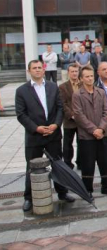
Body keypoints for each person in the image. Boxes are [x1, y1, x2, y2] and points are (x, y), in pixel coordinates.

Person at [15, 60, 75, 212]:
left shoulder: (53, 87)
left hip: (53, 134)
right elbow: (21, 114)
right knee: (31, 167)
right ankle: (28, 198)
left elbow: (60, 108)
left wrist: (55, 125)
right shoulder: (21, 90)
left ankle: (62, 192)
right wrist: (36, 128)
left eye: (39, 68)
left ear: (43, 70)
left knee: (57, 164)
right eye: (34, 68)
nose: (37, 70)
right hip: (34, 136)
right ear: (29, 71)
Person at [73, 66, 107, 198]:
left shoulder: (101, 92)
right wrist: (93, 130)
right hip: (87, 136)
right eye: (86, 76)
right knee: (88, 164)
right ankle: (87, 189)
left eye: (91, 76)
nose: (90, 78)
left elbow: (106, 112)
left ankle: (106, 186)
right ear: (81, 78)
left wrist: (101, 128)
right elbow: (79, 115)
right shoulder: (77, 95)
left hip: (103, 133)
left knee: (105, 161)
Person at [59, 64, 81, 170]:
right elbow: (63, 103)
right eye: (72, 71)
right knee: (68, 143)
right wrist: (71, 115)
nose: (74, 73)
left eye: (76, 71)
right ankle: (68, 163)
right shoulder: (63, 87)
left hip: (82, 120)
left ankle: (81, 161)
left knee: (81, 142)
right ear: (68, 72)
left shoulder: (83, 84)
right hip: (69, 120)